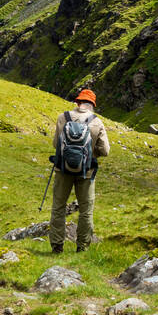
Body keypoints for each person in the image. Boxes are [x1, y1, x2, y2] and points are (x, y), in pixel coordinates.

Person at [49, 88, 110, 253]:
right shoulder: (97, 122)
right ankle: (82, 247)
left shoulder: (63, 117)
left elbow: (56, 145)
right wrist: (89, 153)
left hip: (63, 170)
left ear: (78, 102)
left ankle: (57, 246)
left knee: (58, 207)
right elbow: (105, 150)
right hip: (87, 172)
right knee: (86, 210)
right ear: (92, 105)